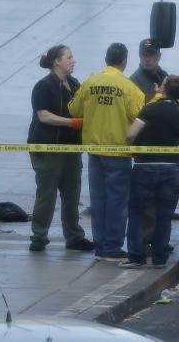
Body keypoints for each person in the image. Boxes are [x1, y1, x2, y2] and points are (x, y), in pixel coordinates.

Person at [69, 42, 145, 261]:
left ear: (106, 60)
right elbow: (140, 117)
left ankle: (100, 246)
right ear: (124, 62)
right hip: (119, 152)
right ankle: (112, 248)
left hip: (94, 151)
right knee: (117, 202)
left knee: (99, 200)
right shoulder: (130, 87)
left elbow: (73, 109)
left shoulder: (91, 82)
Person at [119, 75, 179, 269]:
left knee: (136, 212)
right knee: (164, 215)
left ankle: (136, 256)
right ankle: (160, 258)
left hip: (145, 166)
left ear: (163, 89)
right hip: (170, 170)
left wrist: (133, 149)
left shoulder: (149, 110)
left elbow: (130, 134)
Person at [27, 44, 93, 253]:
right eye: (69, 57)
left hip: (72, 148)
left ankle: (74, 236)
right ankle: (39, 237)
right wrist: (71, 122)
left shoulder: (74, 83)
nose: (73, 61)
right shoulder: (43, 86)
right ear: (57, 61)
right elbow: (43, 115)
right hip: (49, 148)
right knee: (47, 194)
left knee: (72, 194)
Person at [130, 38, 168, 102]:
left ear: (159, 56)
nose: (147, 59)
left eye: (151, 55)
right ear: (139, 56)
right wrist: (159, 95)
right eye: (144, 55)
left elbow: (175, 102)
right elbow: (138, 111)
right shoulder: (133, 82)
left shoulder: (164, 76)